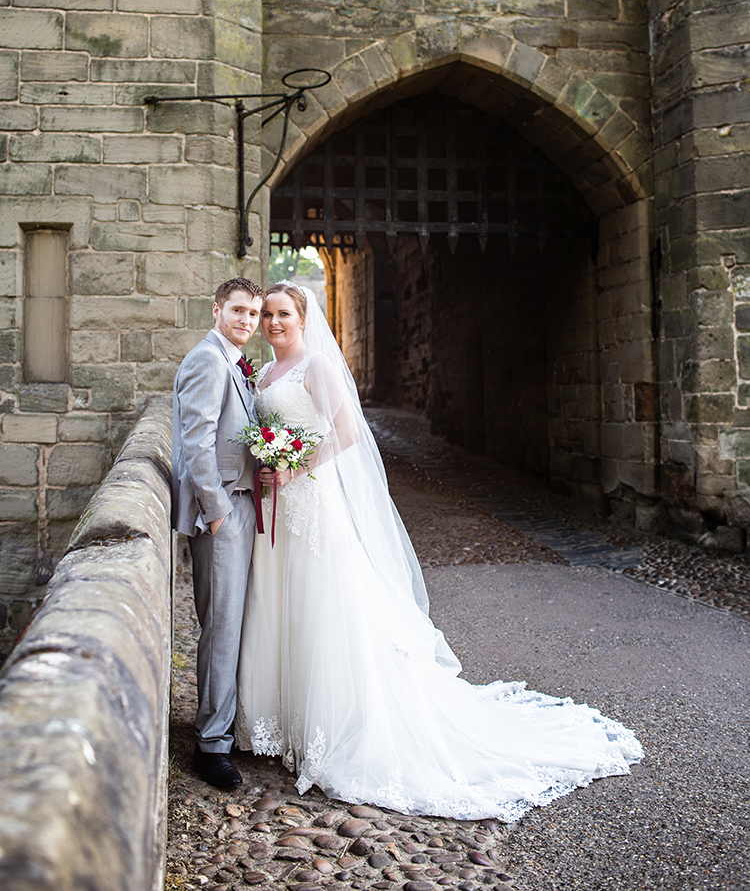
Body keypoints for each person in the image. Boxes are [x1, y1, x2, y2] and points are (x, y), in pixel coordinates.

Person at [234, 281, 643, 820]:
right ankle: (277, 720)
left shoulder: (317, 366)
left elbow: (348, 432)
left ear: (304, 318)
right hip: (278, 510)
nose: (273, 323)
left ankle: (329, 724)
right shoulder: (263, 374)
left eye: (283, 313)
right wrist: (270, 466)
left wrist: (295, 467)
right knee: (278, 601)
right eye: (267, 314)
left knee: (320, 603)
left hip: (311, 502)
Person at [172, 277, 264, 790]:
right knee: (221, 625)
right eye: (238, 311)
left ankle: (226, 725)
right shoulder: (208, 359)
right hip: (223, 512)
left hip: (243, 503)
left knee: (234, 621)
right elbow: (196, 440)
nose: (247, 320)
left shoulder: (234, 359)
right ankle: (211, 746)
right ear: (216, 310)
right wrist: (218, 509)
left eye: (253, 313)